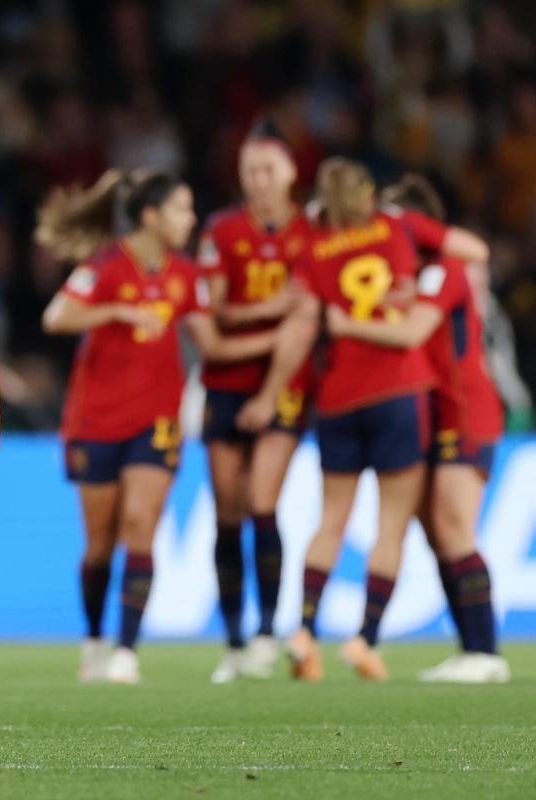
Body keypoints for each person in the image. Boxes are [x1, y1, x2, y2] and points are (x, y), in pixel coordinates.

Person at [38, 170, 278, 684]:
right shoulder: (105, 264)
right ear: (151, 216)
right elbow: (57, 317)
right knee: (99, 545)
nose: (189, 220)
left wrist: (282, 338)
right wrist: (120, 309)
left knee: (141, 526)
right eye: (181, 209)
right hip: (96, 421)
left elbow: (212, 345)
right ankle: (96, 639)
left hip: (157, 421)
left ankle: (127, 650)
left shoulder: (187, 276)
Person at [242, 158, 438, 681]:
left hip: (339, 396)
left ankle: (304, 630)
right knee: (392, 523)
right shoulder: (393, 229)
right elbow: (410, 289)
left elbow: (305, 328)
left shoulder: (312, 252)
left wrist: (271, 392)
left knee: (331, 520)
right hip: (397, 388)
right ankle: (365, 640)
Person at [326, 175, 509, 683]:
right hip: (429, 414)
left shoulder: (442, 272)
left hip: (465, 411)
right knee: (436, 535)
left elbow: (410, 332)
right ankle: (472, 648)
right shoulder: (402, 279)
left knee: (454, 529)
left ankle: (486, 652)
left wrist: (344, 325)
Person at [195, 121, 314, 683]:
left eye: (268, 170)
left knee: (262, 500)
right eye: (250, 173)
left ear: (291, 172)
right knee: (227, 511)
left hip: (285, 387)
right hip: (224, 381)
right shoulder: (221, 230)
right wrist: (276, 315)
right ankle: (236, 640)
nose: (260, 181)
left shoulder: (313, 233)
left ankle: (267, 632)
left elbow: (312, 312)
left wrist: (263, 317)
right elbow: (218, 313)